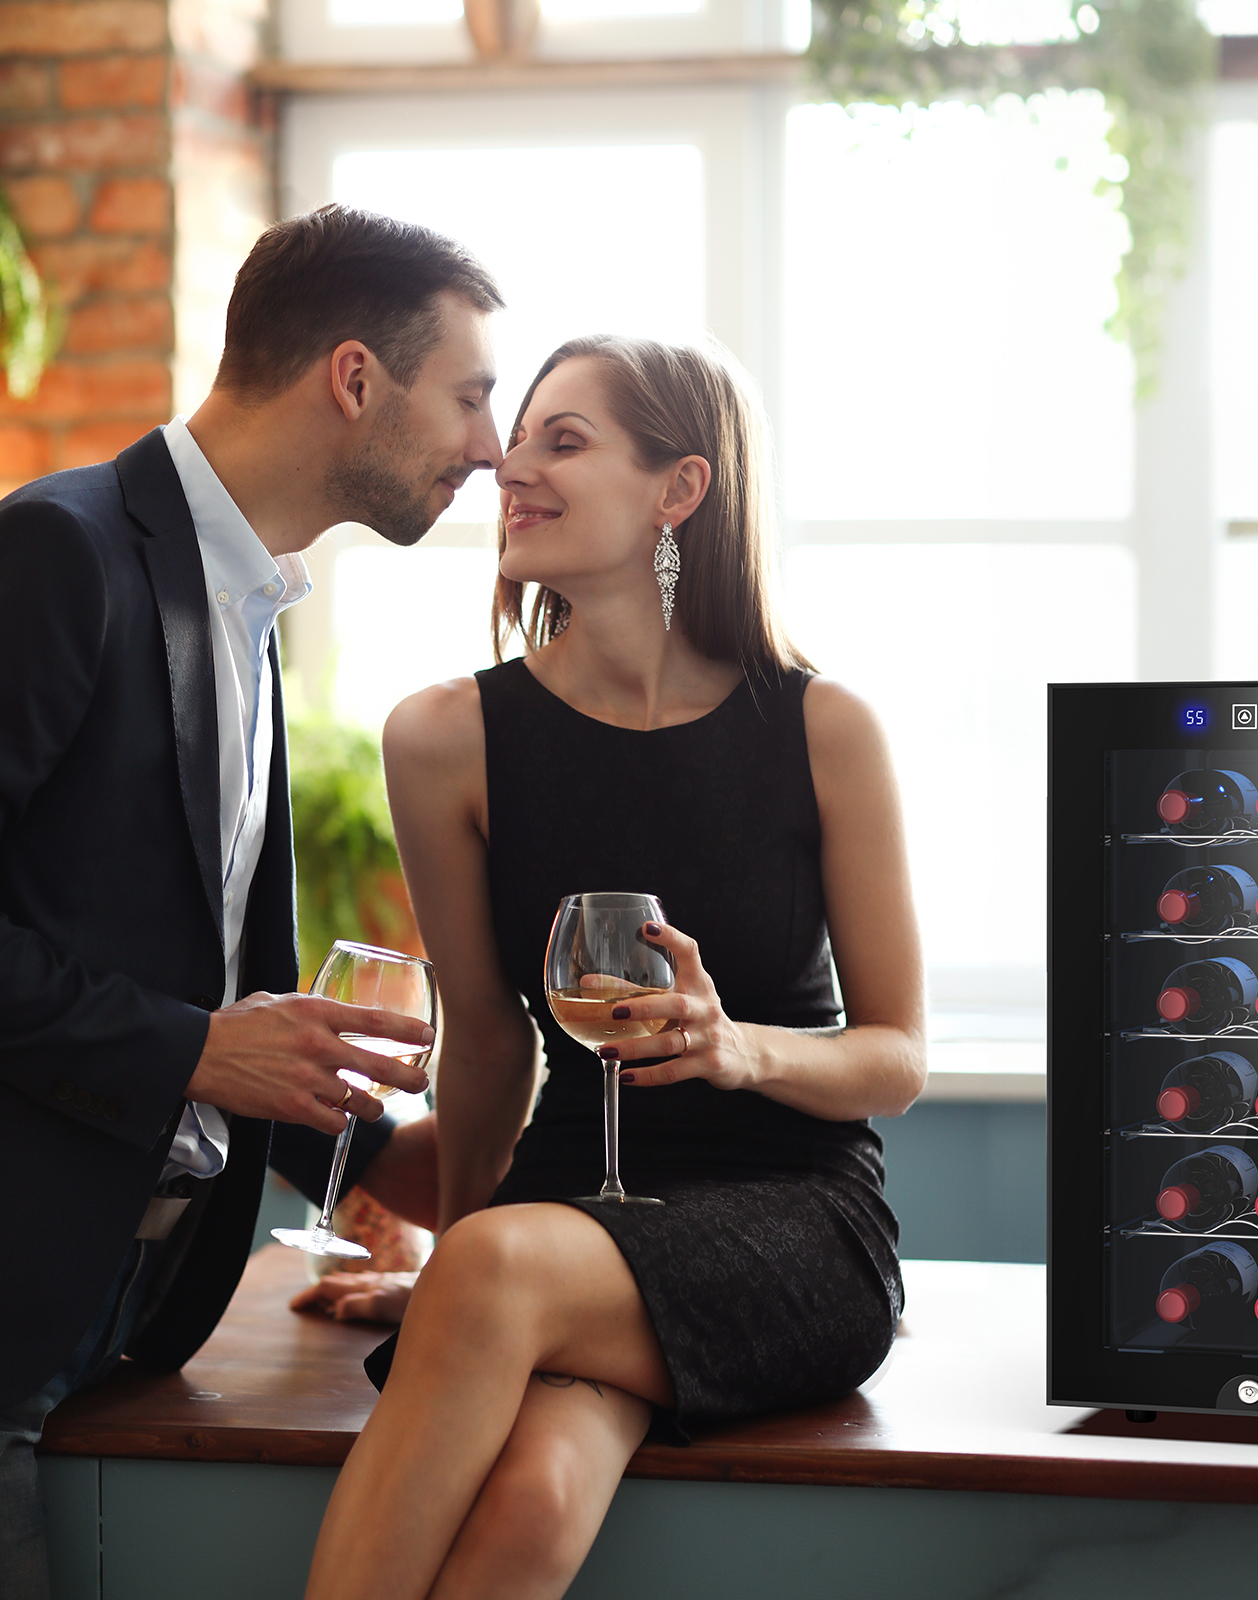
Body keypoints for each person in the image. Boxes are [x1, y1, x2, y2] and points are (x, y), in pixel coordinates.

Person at [295, 334, 926, 1599]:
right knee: (531, 1502)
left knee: (495, 1279)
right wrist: (466, 1293)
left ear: (678, 489)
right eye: (515, 435)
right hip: (563, 1212)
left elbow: (896, 1057)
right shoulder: (444, 739)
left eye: (560, 441)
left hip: (792, 1215)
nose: (506, 467)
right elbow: (484, 1041)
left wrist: (736, 1045)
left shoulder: (822, 729)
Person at [0, 204, 505, 1598]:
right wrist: (196, 1048)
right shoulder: (59, 553)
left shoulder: (251, 610)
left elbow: (213, 994)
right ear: (355, 378)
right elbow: (200, 1032)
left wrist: (409, 1174)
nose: (491, 444)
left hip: (131, 1314)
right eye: (468, 394)